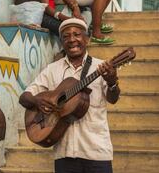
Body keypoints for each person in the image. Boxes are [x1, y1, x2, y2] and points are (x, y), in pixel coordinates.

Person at [19, 18, 120, 173]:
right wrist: (37, 101)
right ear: (62, 42)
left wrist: (112, 82)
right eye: (66, 36)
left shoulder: (100, 67)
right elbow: (24, 97)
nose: (72, 39)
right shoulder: (52, 69)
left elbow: (112, 98)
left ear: (87, 39)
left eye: (77, 34)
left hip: (96, 152)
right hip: (64, 154)